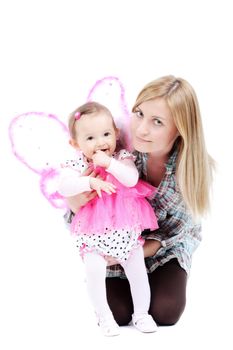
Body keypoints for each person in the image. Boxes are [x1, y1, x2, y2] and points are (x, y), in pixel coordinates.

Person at [65, 75, 214, 328]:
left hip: (161, 245)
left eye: (157, 122)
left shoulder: (189, 169)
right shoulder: (116, 145)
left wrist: (131, 251)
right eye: (139, 113)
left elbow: (178, 230)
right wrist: (75, 201)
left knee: (166, 311)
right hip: (114, 238)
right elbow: (84, 208)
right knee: (119, 314)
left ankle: (152, 282)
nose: (141, 129)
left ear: (180, 129)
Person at [58, 101, 159, 336]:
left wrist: (110, 164)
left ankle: (142, 314)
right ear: (76, 144)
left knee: (137, 270)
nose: (100, 142)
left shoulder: (121, 157)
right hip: (94, 232)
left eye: (105, 134)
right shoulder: (76, 164)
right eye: (90, 138)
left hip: (125, 228)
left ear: (115, 133)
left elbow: (131, 179)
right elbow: (64, 186)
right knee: (93, 271)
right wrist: (89, 181)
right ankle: (104, 317)